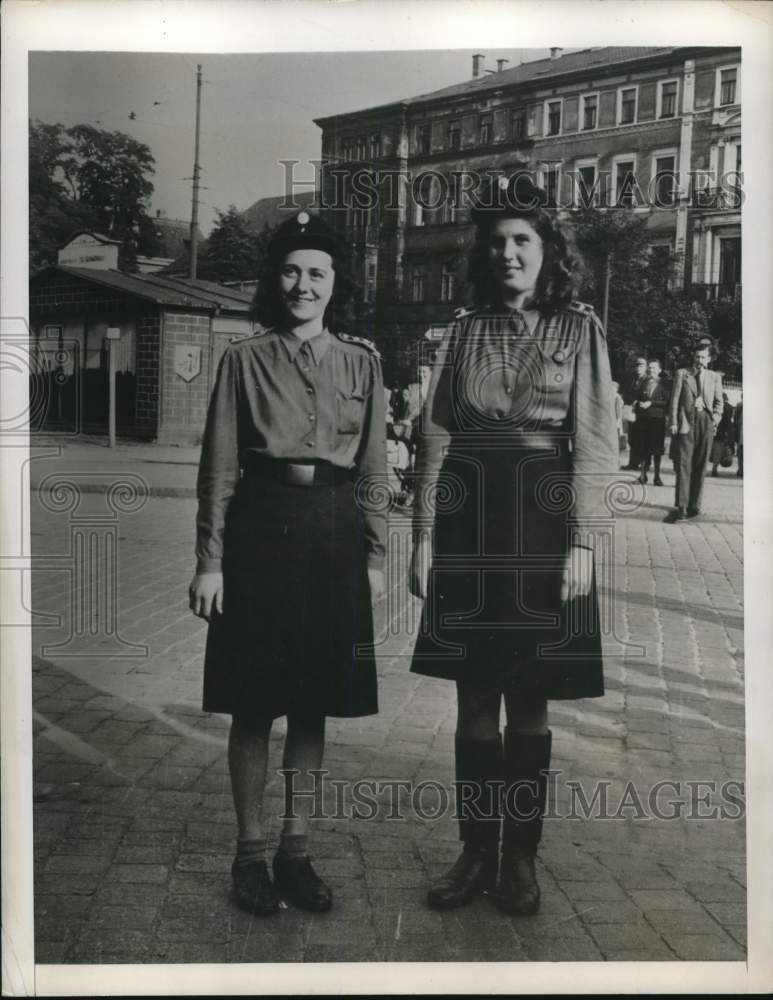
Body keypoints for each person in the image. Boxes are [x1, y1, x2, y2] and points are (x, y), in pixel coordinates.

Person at [409, 174, 618, 916]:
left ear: (546, 250)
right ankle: (473, 852)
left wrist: (584, 545)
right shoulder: (462, 329)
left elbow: (595, 444)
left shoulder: (579, 329)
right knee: (472, 700)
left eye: (521, 241)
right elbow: (434, 433)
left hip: (541, 518)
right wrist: (424, 536)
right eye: (495, 242)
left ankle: (520, 861)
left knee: (529, 702)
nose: (507, 254)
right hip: (468, 522)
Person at [189, 211, 386, 916]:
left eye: (317, 274)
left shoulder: (362, 362)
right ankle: (249, 856)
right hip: (260, 533)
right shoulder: (244, 360)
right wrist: (210, 560)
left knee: (312, 705)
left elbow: (373, 470)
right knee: (253, 704)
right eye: (292, 271)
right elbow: (217, 466)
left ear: (335, 285)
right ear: (277, 281)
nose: (303, 285)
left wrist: (373, 555)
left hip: (332, 533)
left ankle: (295, 852)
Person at [664, 339, 723, 522]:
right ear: (693, 357)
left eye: (703, 357)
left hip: (706, 421)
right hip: (686, 423)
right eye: (697, 356)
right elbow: (674, 400)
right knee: (684, 465)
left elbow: (719, 403)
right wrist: (673, 421)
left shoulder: (715, 377)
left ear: (709, 359)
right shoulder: (682, 373)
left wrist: (715, 418)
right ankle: (681, 507)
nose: (700, 360)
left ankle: (694, 505)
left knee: (700, 464)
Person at [635, 357, 668, 486]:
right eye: (649, 368)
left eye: (654, 368)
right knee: (643, 448)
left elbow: (667, 401)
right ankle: (643, 476)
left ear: (659, 370)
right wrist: (639, 403)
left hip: (657, 421)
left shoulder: (664, 383)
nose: (651, 370)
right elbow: (637, 397)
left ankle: (657, 477)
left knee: (657, 450)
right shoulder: (643, 382)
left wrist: (651, 403)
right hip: (643, 420)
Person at [622, 356, 647, 470]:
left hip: (643, 413)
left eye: (641, 366)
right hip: (632, 412)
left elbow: (648, 395)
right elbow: (626, 392)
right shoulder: (631, 379)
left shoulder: (648, 379)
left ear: (645, 367)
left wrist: (638, 401)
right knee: (632, 438)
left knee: (643, 439)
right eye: (637, 366)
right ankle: (633, 463)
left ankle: (643, 463)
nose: (638, 368)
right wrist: (629, 401)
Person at [710, 392, 735, 476]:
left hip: (717, 432)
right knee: (720, 450)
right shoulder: (730, 407)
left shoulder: (715, 406)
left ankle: (714, 468)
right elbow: (729, 421)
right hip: (724, 433)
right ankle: (715, 468)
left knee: (716, 451)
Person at [734, 394, 743, 478]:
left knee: (740, 453)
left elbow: (735, 418)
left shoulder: (740, 405)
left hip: (741, 432)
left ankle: (741, 470)